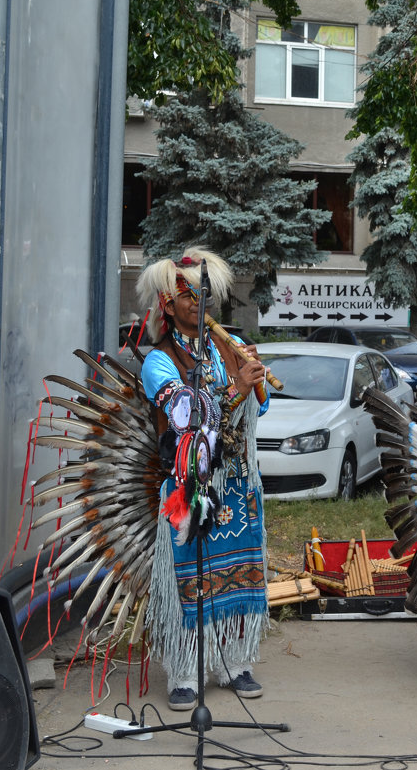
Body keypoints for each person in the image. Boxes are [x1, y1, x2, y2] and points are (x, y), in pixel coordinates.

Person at [136, 246, 269, 711]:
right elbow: (184, 416)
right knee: (187, 576)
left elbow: (260, 407)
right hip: (188, 486)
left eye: (202, 294)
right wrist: (237, 388)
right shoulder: (160, 361)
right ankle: (184, 669)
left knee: (238, 573)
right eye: (188, 295)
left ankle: (234, 661)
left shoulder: (224, 347)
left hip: (234, 481)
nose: (198, 302)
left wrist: (251, 378)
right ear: (168, 305)